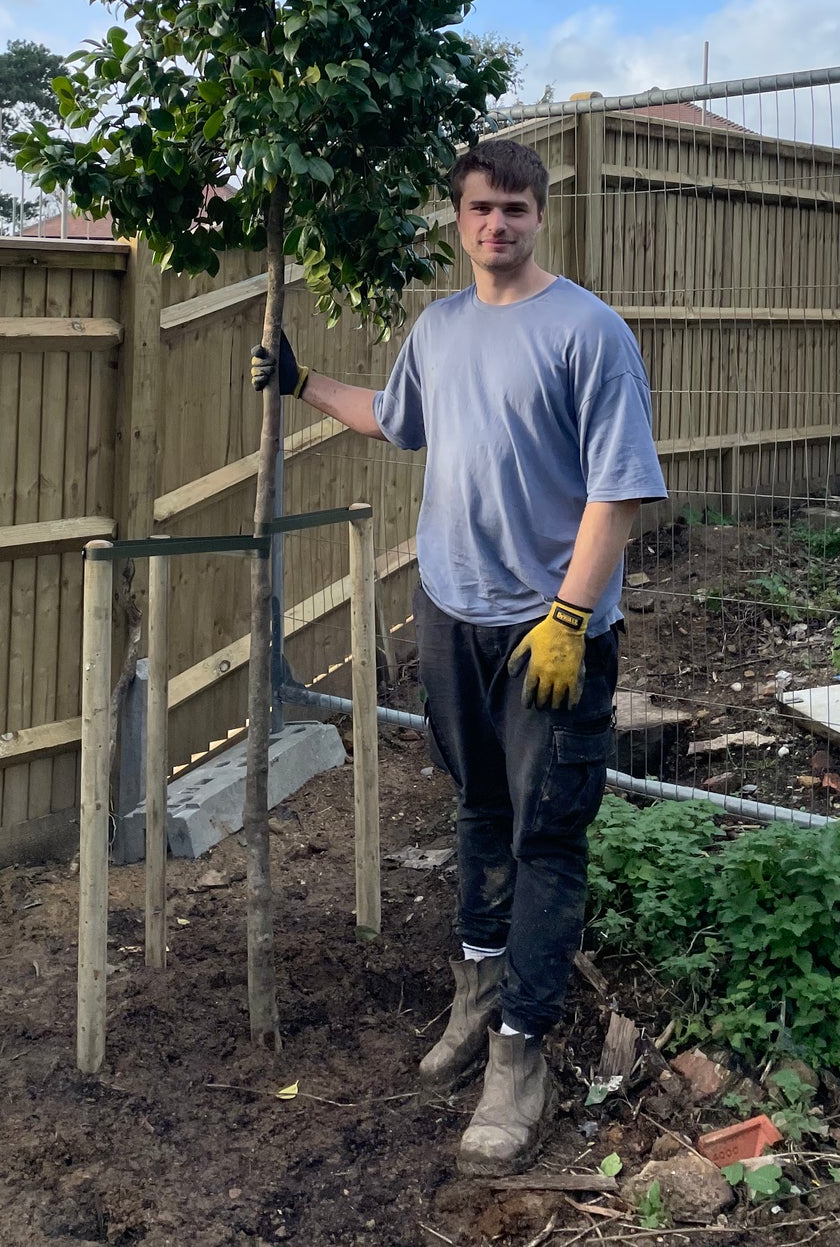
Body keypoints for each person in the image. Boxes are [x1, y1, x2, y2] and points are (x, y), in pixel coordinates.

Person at [250, 137, 666, 1175]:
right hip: (449, 612)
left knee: (545, 836)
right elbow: (395, 423)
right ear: (455, 217)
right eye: (480, 208)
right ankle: (476, 992)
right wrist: (302, 384)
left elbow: (618, 492)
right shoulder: (435, 328)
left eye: (515, 209)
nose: (497, 225)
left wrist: (569, 617)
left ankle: (520, 1051)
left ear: (539, 214)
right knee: (477, 812)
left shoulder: (588, 332)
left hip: (548, 630)